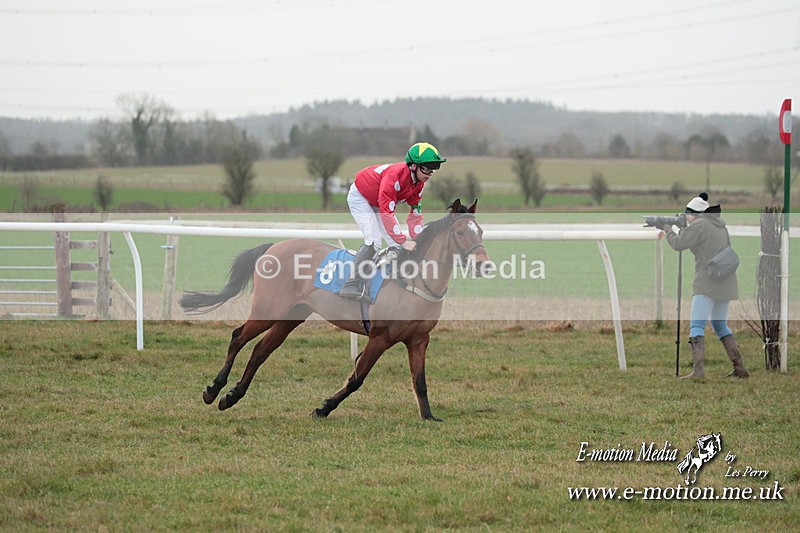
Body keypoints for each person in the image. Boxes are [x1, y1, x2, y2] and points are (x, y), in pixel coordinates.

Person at [338, 142, 446, 300]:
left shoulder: (419, 185)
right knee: (374, 242)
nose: (430, 173)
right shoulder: (394, 177)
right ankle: (351, 284)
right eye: (427, 168)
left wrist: (420, 240)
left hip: (378, 202)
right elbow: (386, 213)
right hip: (361, 197)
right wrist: (403, 241)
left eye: (433, 169)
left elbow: (415, 218)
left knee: (396, 246)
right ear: (413, 166)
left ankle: (391, 284)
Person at [659, 192, 749, 379]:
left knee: (697, 325)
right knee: (720, 325)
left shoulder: (699, 225)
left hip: (707, 283)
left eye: (687, 215)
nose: (686, 218)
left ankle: (698, 371)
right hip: (726, 281)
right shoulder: (719, 225)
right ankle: (739, 368)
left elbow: (678, 243)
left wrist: (668, 229)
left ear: (693, 214)